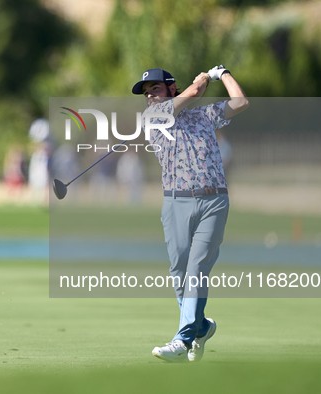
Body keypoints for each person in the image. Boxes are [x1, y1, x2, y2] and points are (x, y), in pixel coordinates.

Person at [131, 66, 249, 362]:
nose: (150, 97)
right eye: (147, 93)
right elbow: (195, 91)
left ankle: (182, 342)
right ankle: (202, 327)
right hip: (175, 204)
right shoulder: (152, 118)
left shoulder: (204, 115)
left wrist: (224, 74)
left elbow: (241, 102)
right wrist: (203, 79)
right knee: (180, 275)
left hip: (214, 202)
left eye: (155, 89)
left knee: (196, 268)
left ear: (171, 88)